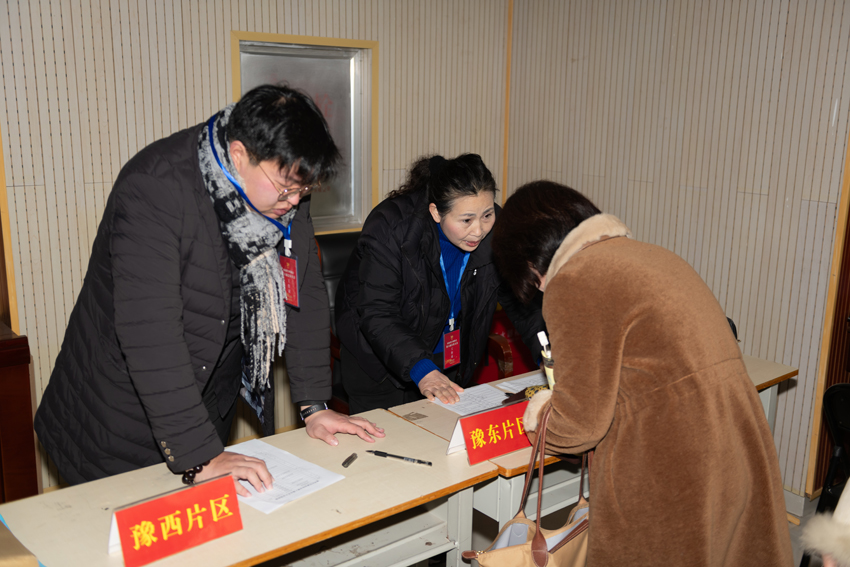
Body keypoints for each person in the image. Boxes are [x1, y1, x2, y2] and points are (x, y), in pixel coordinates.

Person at [34, 85, 383, 495]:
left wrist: (315, 406)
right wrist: (199, 455)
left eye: (302, 191)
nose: (293, 202)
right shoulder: (155, 188)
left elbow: (300, 289)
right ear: (239, 154)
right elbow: (151, 335)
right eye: (286, 188)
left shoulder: (287, 186)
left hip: (205, 395)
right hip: (117, 411)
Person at [491, 181, 793, 566]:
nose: (540, 288)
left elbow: (579, 425)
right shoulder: (651, 255)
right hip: (736, 443)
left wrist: (540, 415)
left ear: (528, 257)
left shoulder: (575, 278)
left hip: (674, 460)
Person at [334, 154, 544, 413]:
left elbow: (521, 300)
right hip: (379, 361)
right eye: (466, 220)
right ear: (436, 212)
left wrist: (546, 351)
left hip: (446, 354)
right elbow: (377, 310)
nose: (479, 230)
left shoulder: (495, 230)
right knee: (386, 436)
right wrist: (422, 369)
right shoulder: (391, 227)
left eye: (487, 215)